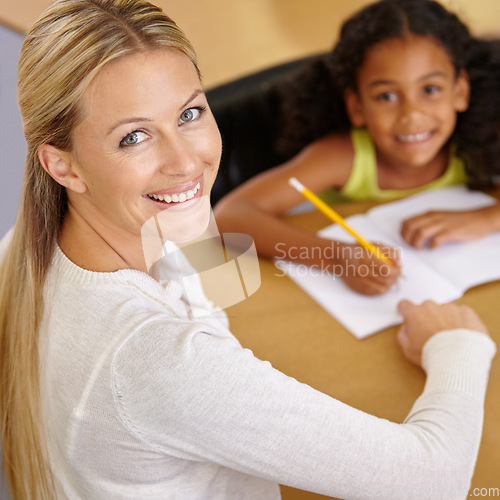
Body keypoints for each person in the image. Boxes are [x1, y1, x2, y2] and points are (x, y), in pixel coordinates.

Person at [0, 0, 496, 499]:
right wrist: (459, 345)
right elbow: (432, 482)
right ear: (62, 166)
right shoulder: (160, 364)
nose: (186, 160)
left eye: (190, 113)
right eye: (134, 137)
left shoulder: (24, 248)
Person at [214, 0, 500, 296]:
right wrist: (336, 257)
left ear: (460, 91)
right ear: (357, 106)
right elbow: (229, 216)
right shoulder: (343, 156)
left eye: (430, 90)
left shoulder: (484, 136)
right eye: (386, 96)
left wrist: (487, 218)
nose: (412, 115)